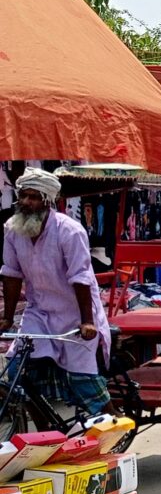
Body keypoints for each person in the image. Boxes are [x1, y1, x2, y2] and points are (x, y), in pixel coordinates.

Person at [0, 169, 111, 415]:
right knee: (20, 369)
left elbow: (81, 277)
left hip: (75, 312)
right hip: (38, 312)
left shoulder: (69, 231)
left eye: (33, 197)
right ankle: (44, 428)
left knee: (82, 379)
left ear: (47, 200)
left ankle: (113, 419)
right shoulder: (12, 229)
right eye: (23, 196)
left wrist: (87, 321)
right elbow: (11, 274)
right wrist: (7, 318)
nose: (26, 202)